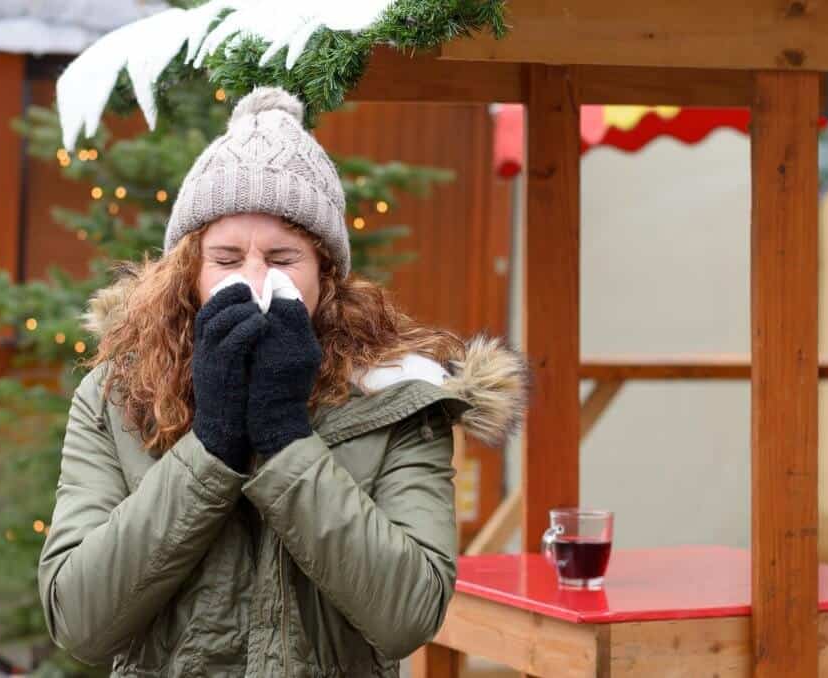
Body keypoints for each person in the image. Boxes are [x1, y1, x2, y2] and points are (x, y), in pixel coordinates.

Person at [37, 86, 529, 677]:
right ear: (189, 272)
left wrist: (286, 438)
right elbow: (79, 622)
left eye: (281, 257)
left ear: (325, 270)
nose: (252, 279)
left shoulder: (397, 396)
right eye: (225, 258)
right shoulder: (119, 393)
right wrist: (211, 445)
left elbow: (409, 615)